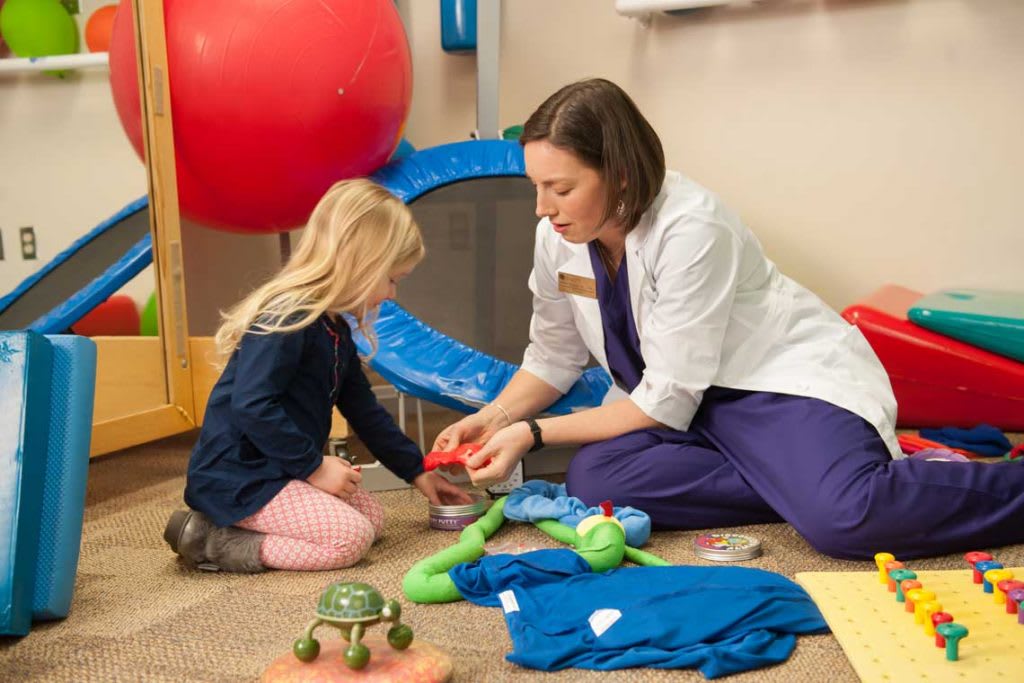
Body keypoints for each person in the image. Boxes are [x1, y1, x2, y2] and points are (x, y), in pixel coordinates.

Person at [434, 78, 1024, 560]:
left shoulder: (692, 226)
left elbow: (665, 400)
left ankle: (849, 487)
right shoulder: (556, 238)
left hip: (775, 389)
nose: (542, 208)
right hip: (691, 408)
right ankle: (800, 483)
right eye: (537, 186)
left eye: (559, 188)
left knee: (847, 519)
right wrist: (493, 418)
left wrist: (532, 433)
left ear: (617, 173)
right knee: (598, 481)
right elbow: (553, 357)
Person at [164, 179, 471, 573]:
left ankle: (234, 525)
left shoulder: (335, 329)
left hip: (281, 468)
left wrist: (418, 473)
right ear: (359, 262)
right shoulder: (286, 317)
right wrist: (314, 467)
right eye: (391, 279)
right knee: (349, 539)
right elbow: (252, 405)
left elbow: (366, 413)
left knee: (373, 522)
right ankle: (213, 539)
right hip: (239, 478)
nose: (392, 294)